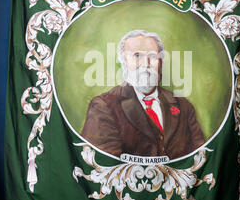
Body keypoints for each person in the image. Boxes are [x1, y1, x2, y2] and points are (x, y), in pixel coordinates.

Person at [81, 29, 204, 160]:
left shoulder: (184, 106)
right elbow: (104, 162)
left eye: (152, 56)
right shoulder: (103, 106)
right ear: (124, 63)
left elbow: (200, 158)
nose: (146, 64)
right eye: (137, 56)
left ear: (160, 63)